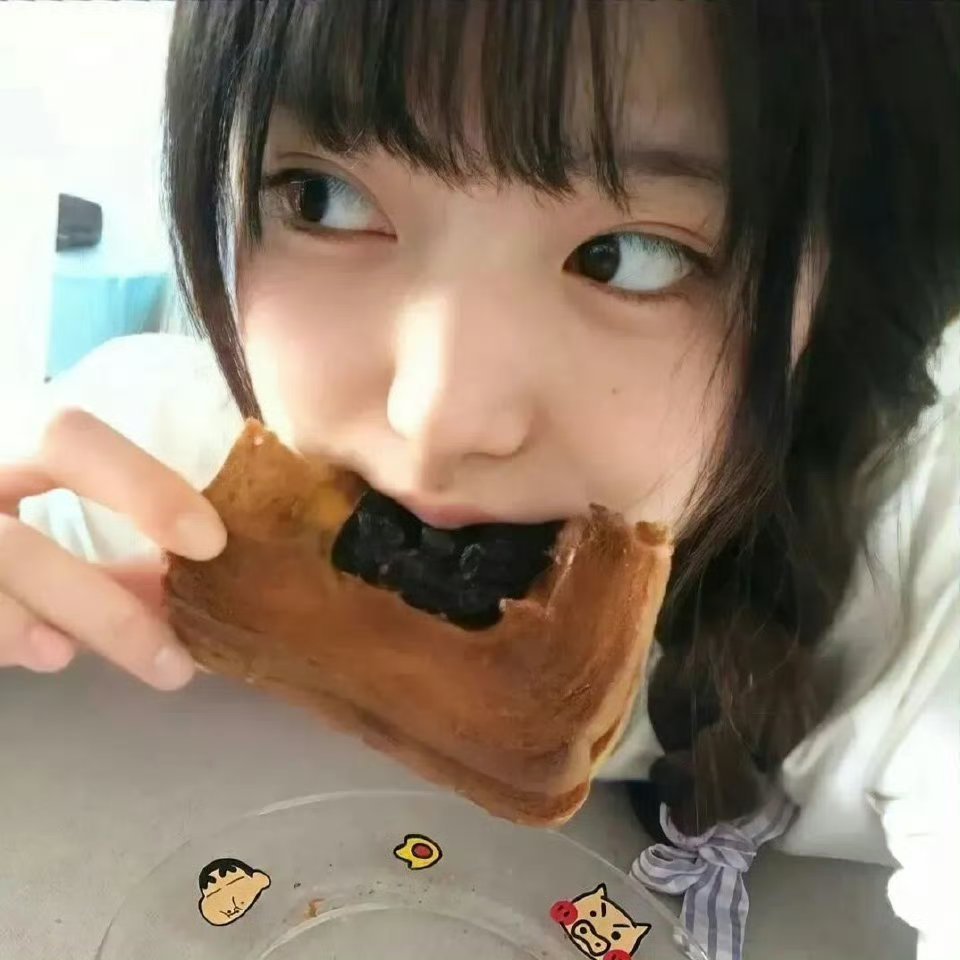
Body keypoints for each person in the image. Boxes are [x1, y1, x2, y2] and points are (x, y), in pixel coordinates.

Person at [0, 2, 957, 957]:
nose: (437, 415)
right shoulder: (138, 471)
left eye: (628, 257)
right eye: (324, 198)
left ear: (846, 292)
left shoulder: (928, 585)